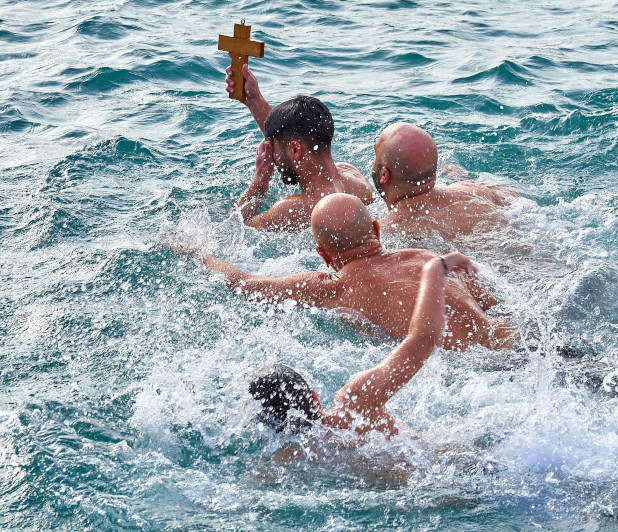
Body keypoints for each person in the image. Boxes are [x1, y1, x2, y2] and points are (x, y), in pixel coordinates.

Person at [173, 193, 515, 351]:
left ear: (323, 255)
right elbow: (493, 305)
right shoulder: (431, 259)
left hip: (466, 366)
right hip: (512, 341)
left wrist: (198, 253)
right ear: (376, 230)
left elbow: (244, 283)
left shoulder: (330, 288)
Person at [247, 252, 474, 436]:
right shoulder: (355, 405)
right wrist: (436, 267)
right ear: (314, 399)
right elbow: (423, 340)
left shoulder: (284, 460)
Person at [226, 63, 373, 229]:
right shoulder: (356, 180)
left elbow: (234, 225)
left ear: (296, 149)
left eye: (273, 147)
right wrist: (254, 100)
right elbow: (288, 136)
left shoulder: (290, 211)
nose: (272, 154)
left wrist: (260, 180)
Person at [371, 122, 523, 241]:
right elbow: (519, 204)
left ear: (384, 174)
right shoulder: (475, 192)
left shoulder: (384, 231)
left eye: (375, 153)